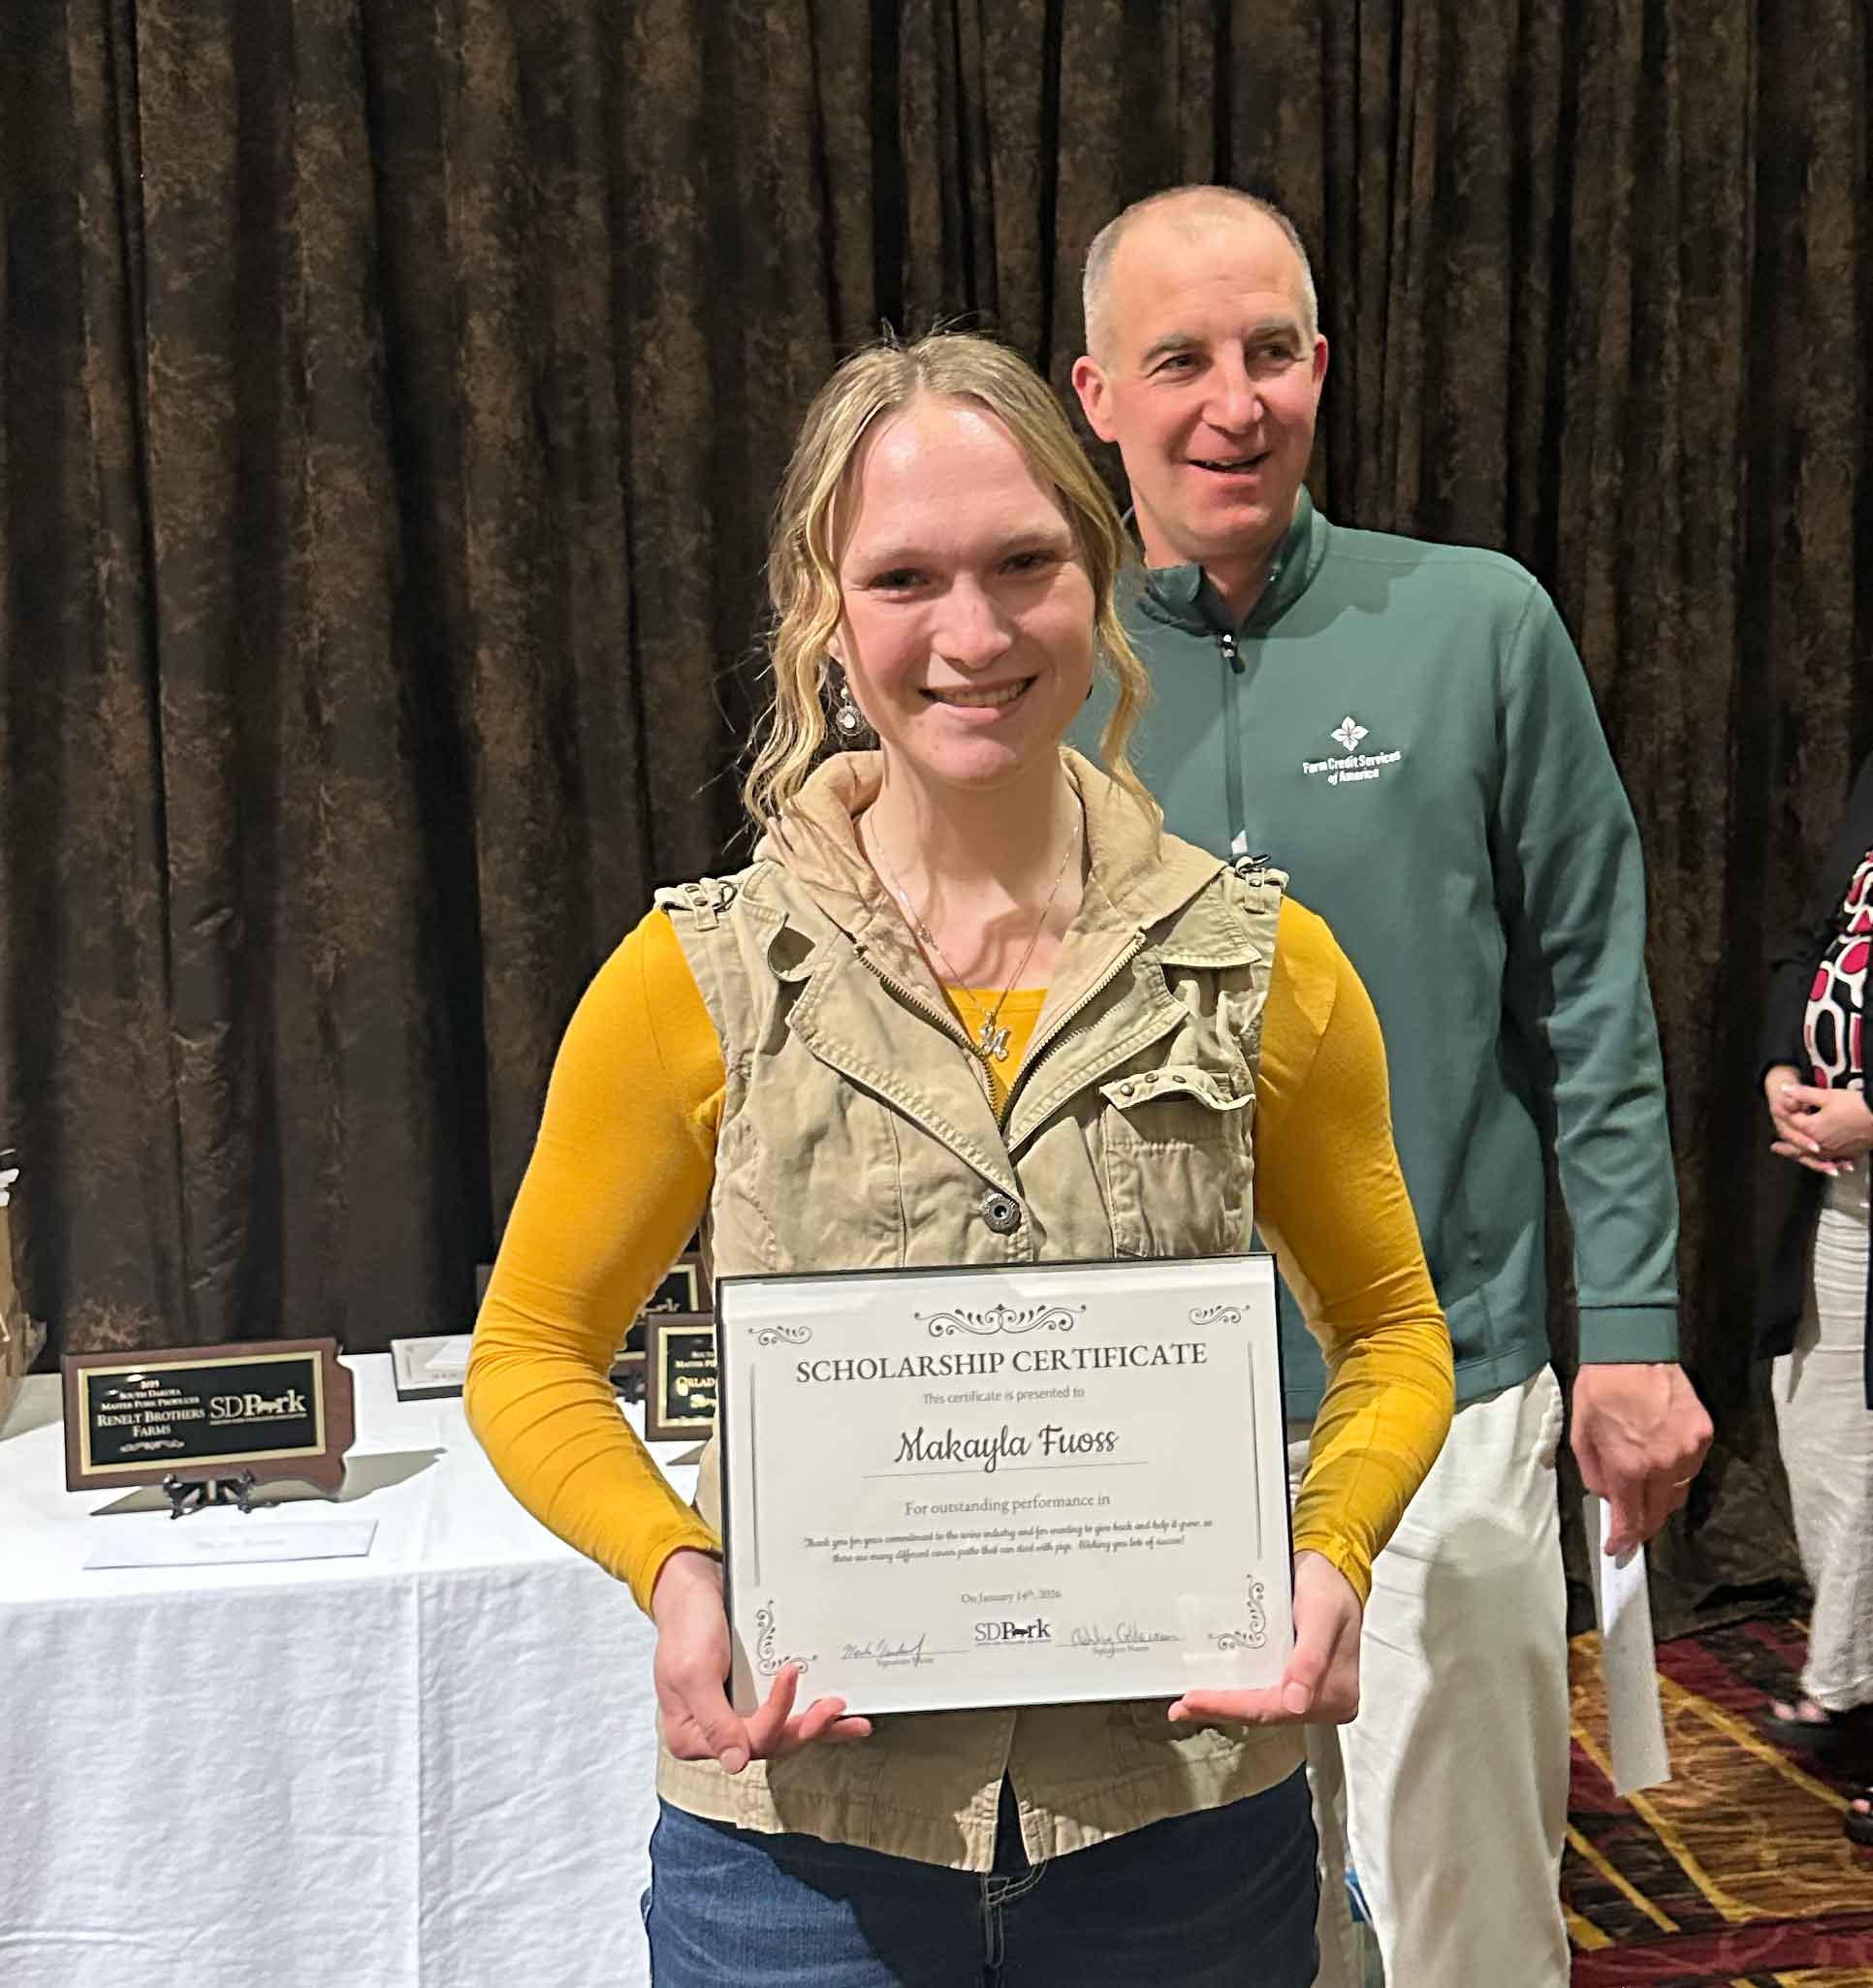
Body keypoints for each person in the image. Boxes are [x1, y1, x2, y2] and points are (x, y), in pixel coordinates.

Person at [466, 328, 1454, 1987]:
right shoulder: (694, 981)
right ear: (824, 616)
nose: (973, 633)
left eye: (1022, 565)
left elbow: (1393, 1334)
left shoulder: (1260, 962)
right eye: (905, 578)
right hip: (800, 1852)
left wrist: (1332, 1546)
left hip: (1180, 1827)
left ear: (1103, 575)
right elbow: (532, 1353)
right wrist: (679, 1569)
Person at [1069, 186, 1715, 1986]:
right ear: (1096, 395)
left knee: (1465, 1915)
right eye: (1179, 360)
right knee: (1206, 1922)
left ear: (1322, 369)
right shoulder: (1039, 671)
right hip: (1146, 1410)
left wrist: (1636, 1327)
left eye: (1270, 352)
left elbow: (1588, 990)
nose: (1233, 402)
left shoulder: (1479, 624)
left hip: (1452, 1384)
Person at [1758, 746, 1873, 1848]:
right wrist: (1781, 1065)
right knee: (1822, 1422)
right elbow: (1814, 937)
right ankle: (1849, 1671)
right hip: (1842, 1194)